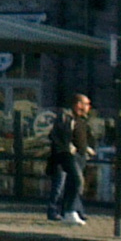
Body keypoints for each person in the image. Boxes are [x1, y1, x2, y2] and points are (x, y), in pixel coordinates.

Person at [45, 94, 91, 224]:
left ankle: (73, 210)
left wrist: (87, 149)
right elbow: (57, 136)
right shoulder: (66, 118)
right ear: (78, 105)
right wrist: (67, 148)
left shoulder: (82, 120)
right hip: (66, 156)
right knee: (71, 182)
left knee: (74, 183)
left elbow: (84, 136)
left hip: (79, 156)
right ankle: (62, 210)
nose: (88, 107)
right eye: (86, 104)